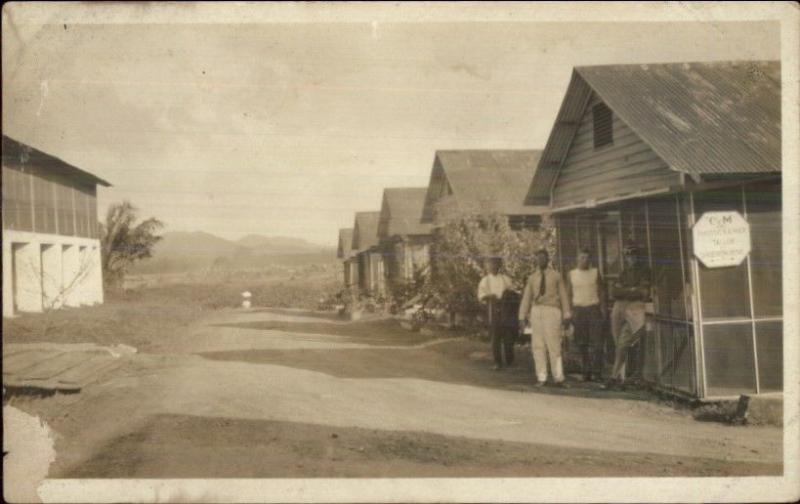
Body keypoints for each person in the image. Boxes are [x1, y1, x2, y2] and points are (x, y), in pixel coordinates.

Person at [519, 249, 571, 387]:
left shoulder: (556, 276)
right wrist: (522, 316)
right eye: (538, 258)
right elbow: (526, 297)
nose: (540, 260)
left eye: (543, 258)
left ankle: (559, 378)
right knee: (538, 345)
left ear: (548, 259)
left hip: (552, 311)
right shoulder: (532, 277)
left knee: (554, 345)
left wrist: (567, 314)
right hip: (537, 311)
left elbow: (564, 296)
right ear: (536, 260)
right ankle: (541, 377)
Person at [608, 244, 651, 389]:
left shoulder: (644, 271)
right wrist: (631, 290)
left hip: (635, 309)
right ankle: (621, 377)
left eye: (633, 255)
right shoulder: (624, 272)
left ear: (638, 256)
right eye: (628, 256)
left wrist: (625, 291)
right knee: (618, 343)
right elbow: (614, 292)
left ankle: (616, 378)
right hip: (620, 308)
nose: (630, 258)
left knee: (623, 343)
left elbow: (643, 293)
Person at [566, 247, 606, 382]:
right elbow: (568, 294)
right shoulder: (572, 274)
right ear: (577, 259)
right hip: (579, 310)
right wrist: (569, 312)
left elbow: (601, 292)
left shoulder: (595, 272)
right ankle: (586, 371)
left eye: (588, 258)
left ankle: (598, 372)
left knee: (597, 343)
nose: (585, 260)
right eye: (582, 257)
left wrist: (603, 309)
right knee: (582, 343)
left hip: (594, 309)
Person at [477, 256, 516, 370]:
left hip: (506, 310)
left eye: (495, 264)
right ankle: (497, 362)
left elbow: (513, 293)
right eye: (490, 264)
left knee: (508, 336)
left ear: (499, 266)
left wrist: (507, 294)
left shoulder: (506, 279)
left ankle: (510, 360)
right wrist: (489, 296)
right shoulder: (485, 280)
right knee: (495, 337)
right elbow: (480, 296)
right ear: (487, 266)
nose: (493, 267)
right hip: (493, 309)